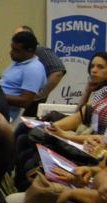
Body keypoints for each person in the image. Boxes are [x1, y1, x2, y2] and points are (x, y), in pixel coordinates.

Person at [13, 51, 107, 190]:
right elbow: (80, 116)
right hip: (85, 139)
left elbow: (102, 139)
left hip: (95, 150)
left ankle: (22, 188)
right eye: (92, 66)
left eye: (100, 67)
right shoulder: (101, 92)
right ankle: (11, 179)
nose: (94, 70)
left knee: (33, 144)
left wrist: (64, 135)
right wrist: (52, 127)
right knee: (25, 134)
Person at [14, 25, 67, 116]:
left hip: (30, 105)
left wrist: (40, 95)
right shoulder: (23, 56)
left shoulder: (40, 51)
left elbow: (58, 71)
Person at [0, 30, 46, 120]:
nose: (11, 53)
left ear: (30, 51)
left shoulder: (33, 69)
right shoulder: (18, 62)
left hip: (6, 114)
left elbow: (25, 101)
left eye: (16, 50)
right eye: (12, 49)